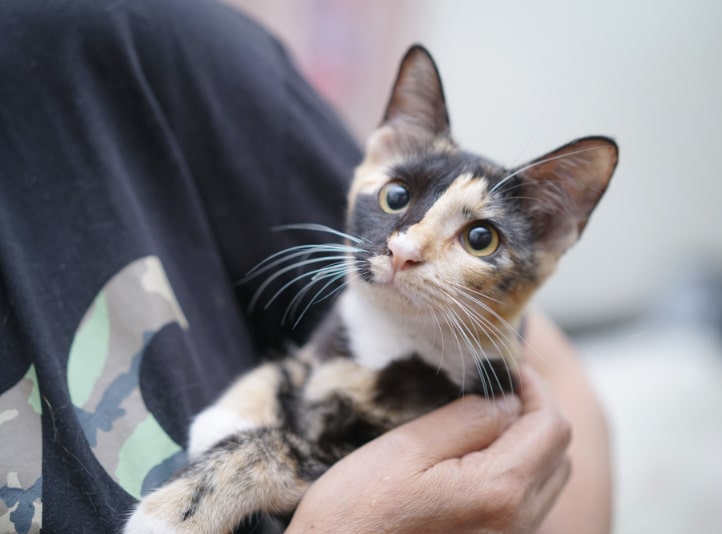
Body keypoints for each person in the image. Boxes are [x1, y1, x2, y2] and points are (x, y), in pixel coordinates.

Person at [0, 1, 610, 532]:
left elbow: (562, 405)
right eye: (397, 200)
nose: (405, 247)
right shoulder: (358, 324)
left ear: (550, 236)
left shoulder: (151, 44)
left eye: (478, 237)